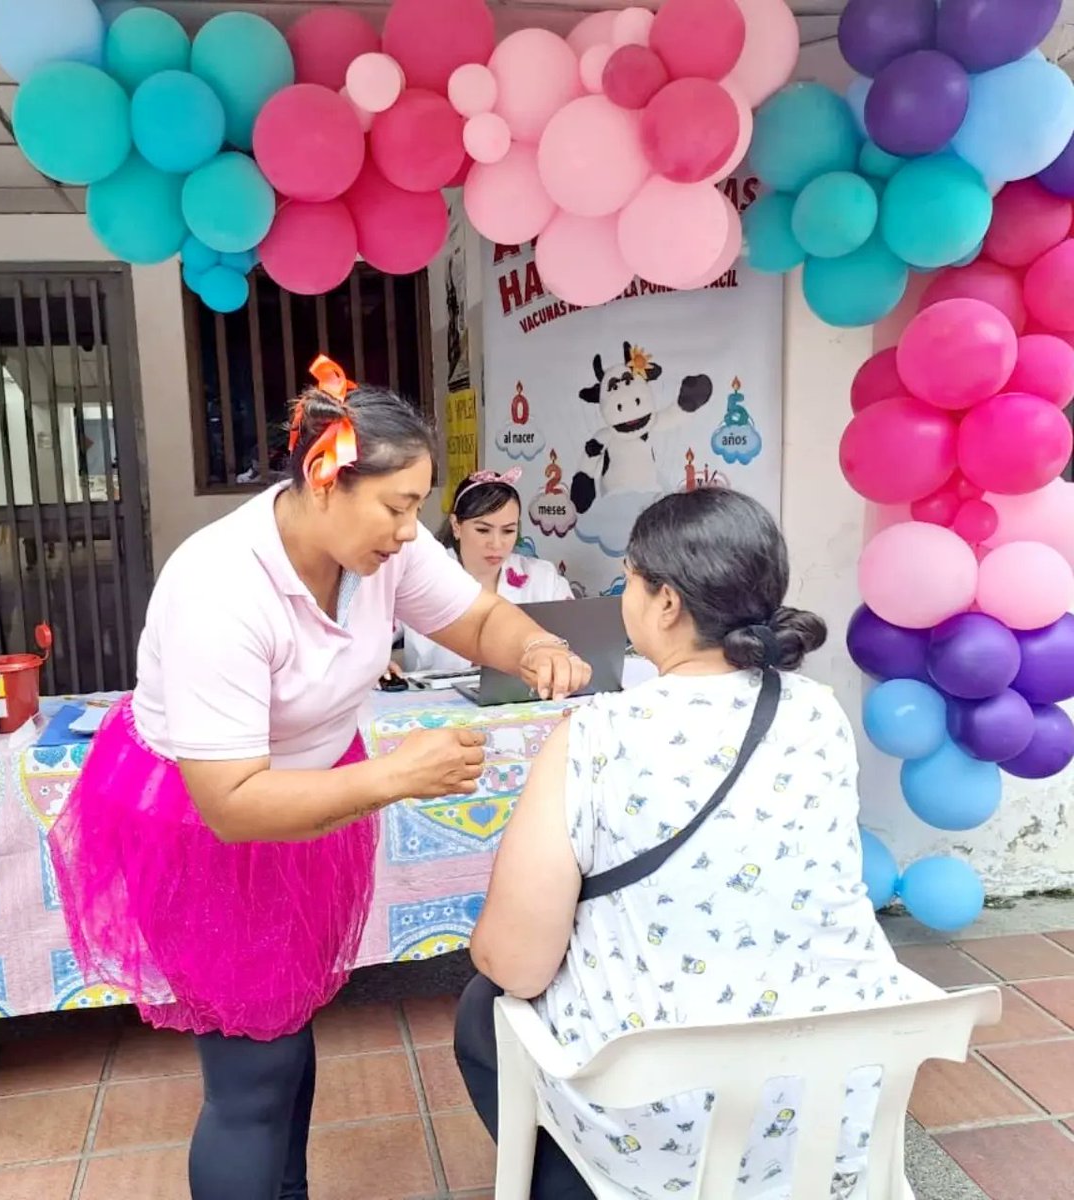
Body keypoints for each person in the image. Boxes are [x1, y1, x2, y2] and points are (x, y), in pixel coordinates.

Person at [48, 355, 591, 1200]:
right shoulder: (219, 586)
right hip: (210, 825)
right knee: (253, 1074)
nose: (413, 530)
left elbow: (476, 614)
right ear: (323, 478)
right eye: (399, 506)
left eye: (417, 506)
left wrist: (534, 646)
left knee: (287, 1027)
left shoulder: (380, 552)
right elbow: (231, 803)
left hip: (309, 794)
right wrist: (394, 777)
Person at [454, 487, 919, 1200]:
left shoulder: (595, 736)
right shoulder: (820, 714)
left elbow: (513, 962)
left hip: (663, 1127)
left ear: (665, 603)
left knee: (480, 1011)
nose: (625, 595)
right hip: (839, 1099)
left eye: (631, 579)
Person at [400, 468, 573, 674]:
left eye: (508, 531)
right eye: (483, 530)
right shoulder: (425, 570)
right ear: (456, 525)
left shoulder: (543, 578)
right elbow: (368, 632)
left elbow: (577, 640)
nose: (496, 544)